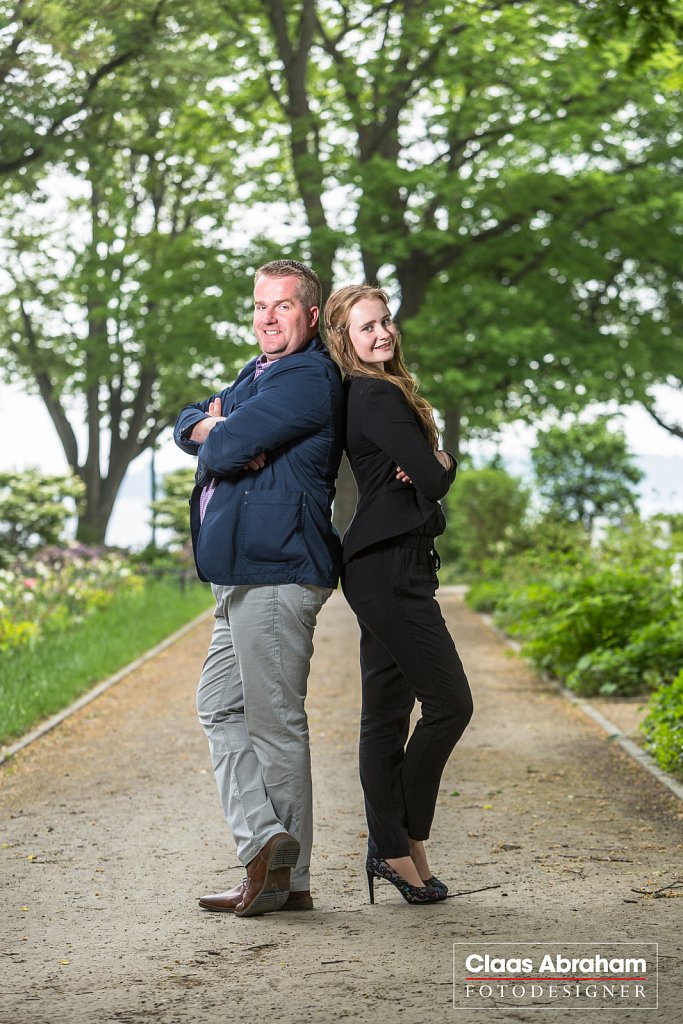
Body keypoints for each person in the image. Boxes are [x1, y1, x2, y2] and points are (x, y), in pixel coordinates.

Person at [174, 259, 343, 917]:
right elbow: (192, 422)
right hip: (241, 571)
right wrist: (212, 425)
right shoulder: (256, 373)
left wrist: (220, 432)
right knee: (218, 705)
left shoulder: (308, 378)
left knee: (274, 725)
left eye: (281, 307)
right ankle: (266, 845)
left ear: (307, 313)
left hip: (277, 567)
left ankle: (285, 879)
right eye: (259, 305)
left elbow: (219, 447)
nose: (266, 318)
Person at [324, 284, 473, 906]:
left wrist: (433, 463)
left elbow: (427, 479)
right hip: (387, 570)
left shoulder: (372, 392)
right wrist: (440, 457)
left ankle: (394, 850)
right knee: (450, 705)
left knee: (385, 717)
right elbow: (435, 480)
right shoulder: (378, 395)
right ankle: (401, 837)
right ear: (344, 340)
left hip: (390, 564)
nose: (383, 334)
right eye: (367, 327)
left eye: (386, 322)